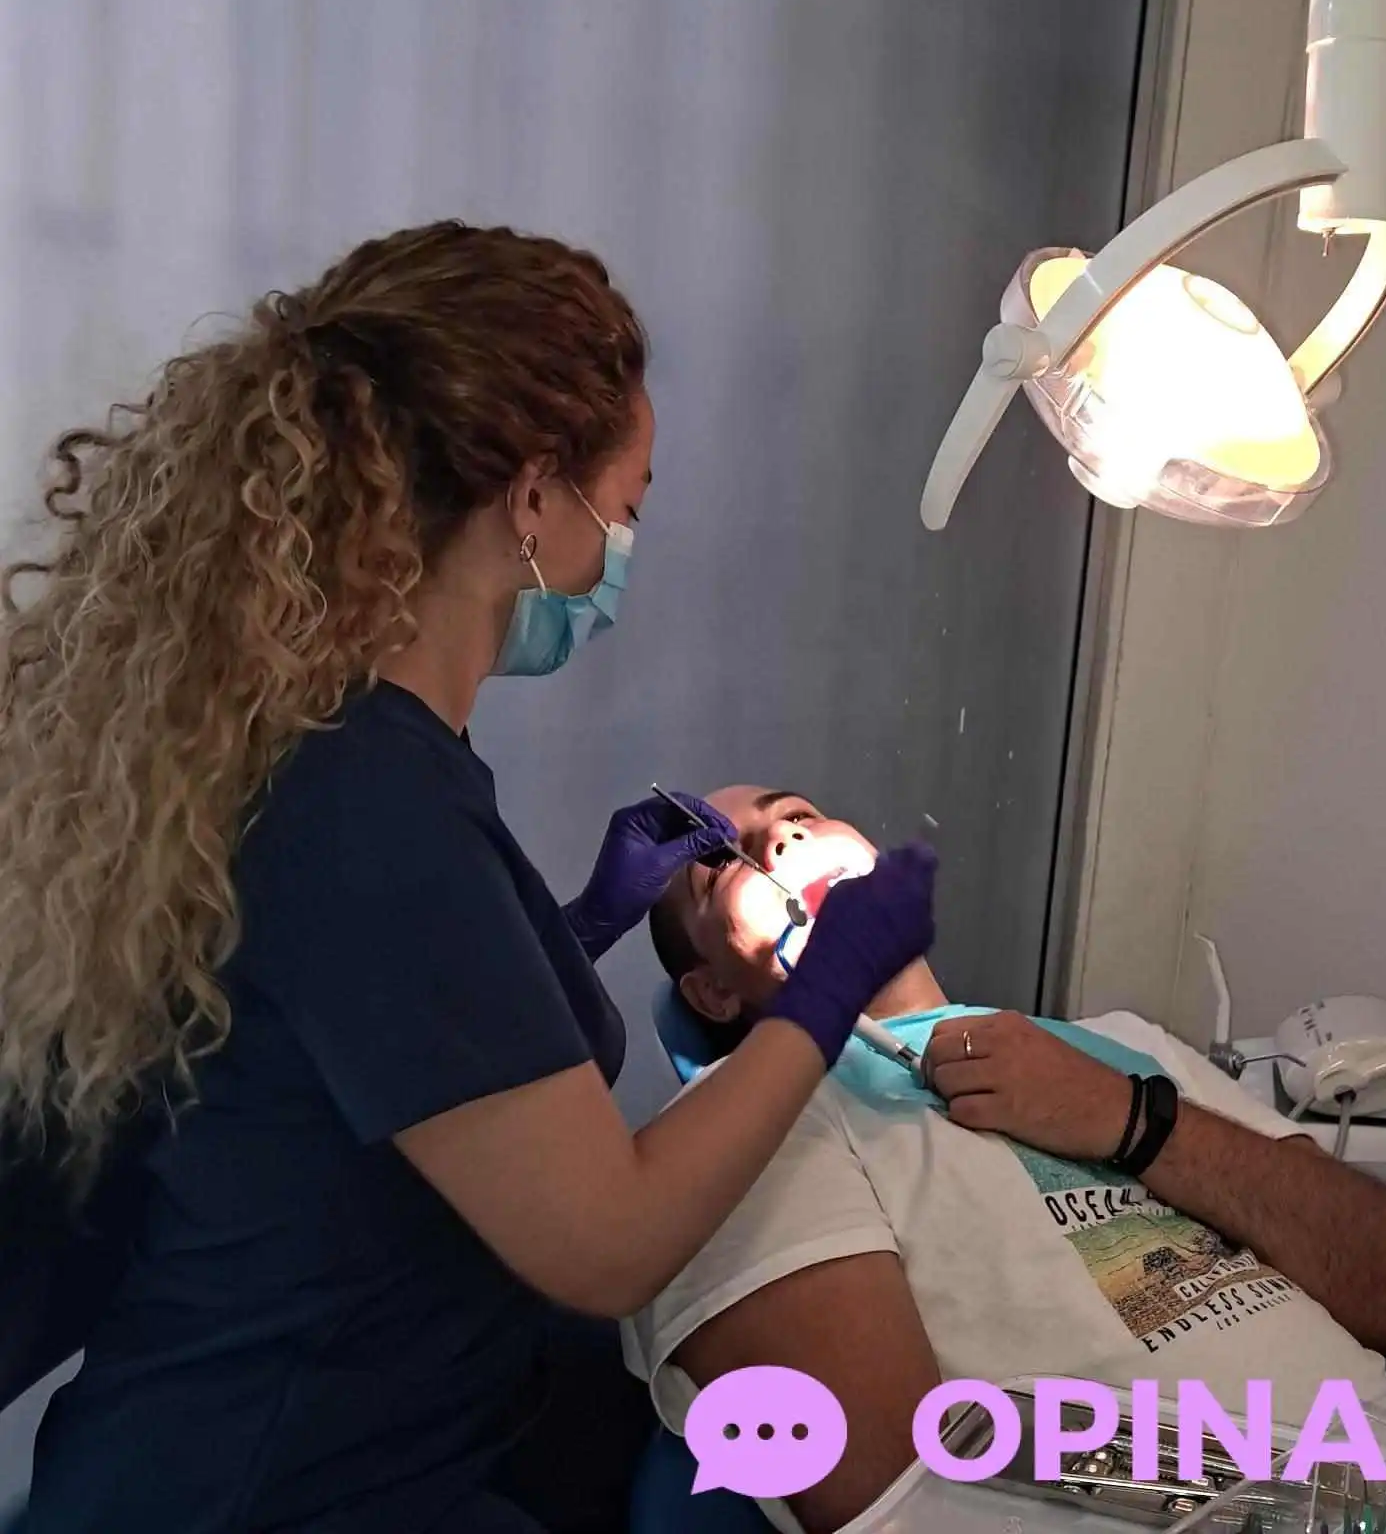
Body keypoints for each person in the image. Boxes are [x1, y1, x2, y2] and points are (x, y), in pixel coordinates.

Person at [0, 225, 936, 1534]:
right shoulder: (369, 801)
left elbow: (391, 1048)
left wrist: (584, 922)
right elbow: (606, 1240)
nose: (622, 544)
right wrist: (830, 985)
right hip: (259, 1488)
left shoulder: (346, 757)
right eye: (627, 506)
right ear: (532, 499)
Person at [627, 785, 1386, 1534]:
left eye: (798, 813)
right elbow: (902, 1506)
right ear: (712, 993)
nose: (782, 840)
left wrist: (1131, 1118)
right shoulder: (744, 1134)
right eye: (720, 863)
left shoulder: (1129, 1045)